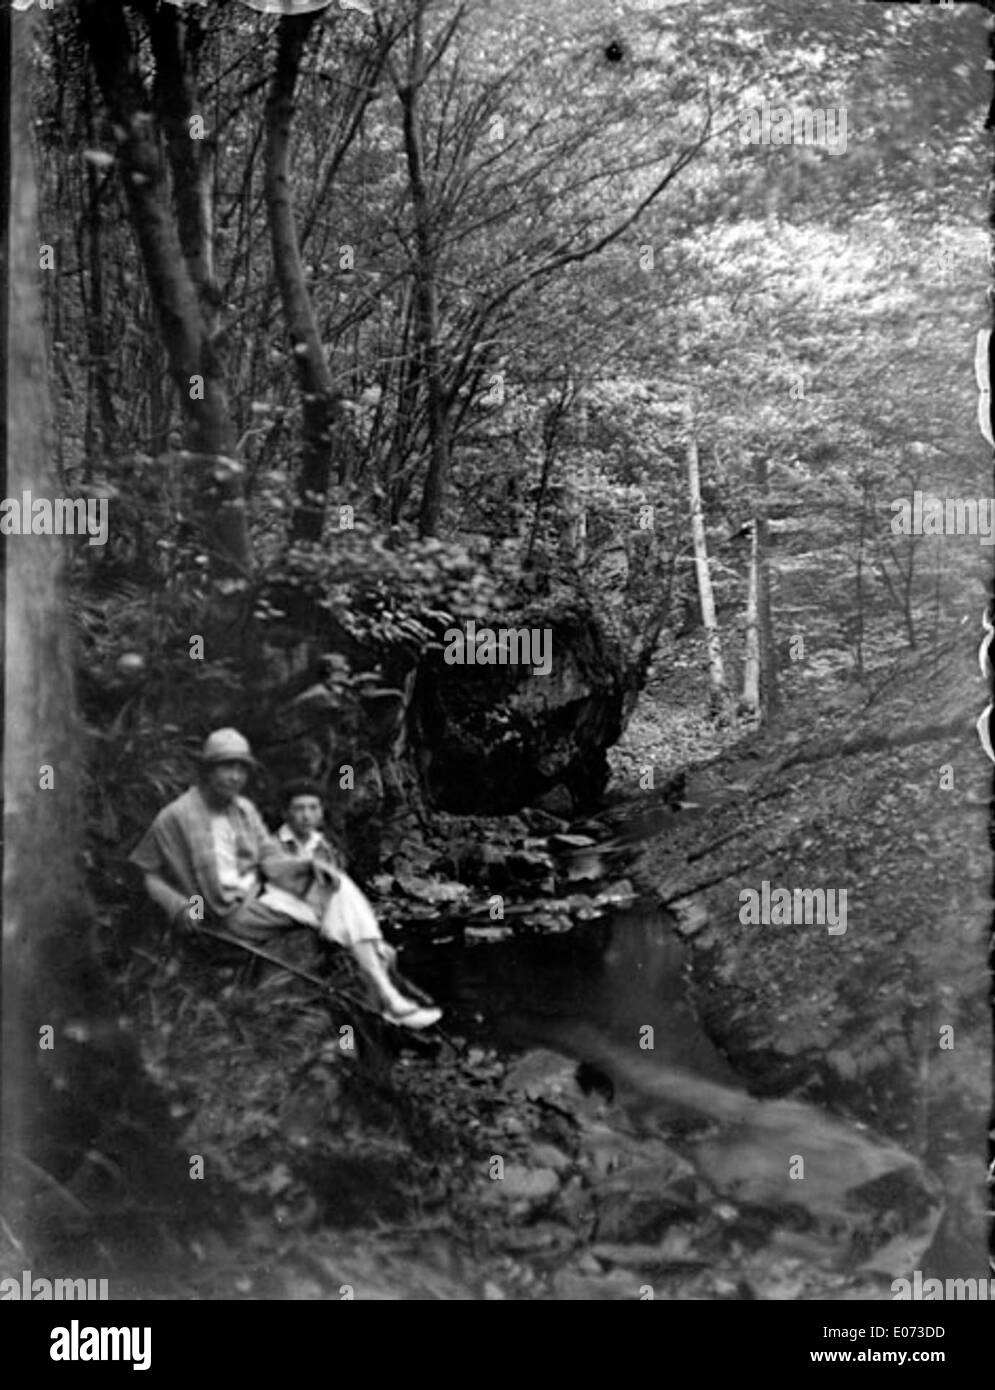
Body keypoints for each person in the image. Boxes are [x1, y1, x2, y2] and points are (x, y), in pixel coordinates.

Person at [129, 728, 442, 1030]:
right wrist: (177, 905)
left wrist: (306, 868)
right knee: (337, 908)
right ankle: (385, 994)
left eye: (240, 768)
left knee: (337, 888)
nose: (235, 776)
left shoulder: (243, 810)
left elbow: (269, 860)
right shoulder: (177, 815)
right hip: (218, 918)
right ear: (207, 770)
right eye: (227, 767)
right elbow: (145, 872)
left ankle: (386, 994)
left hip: (253, 905)